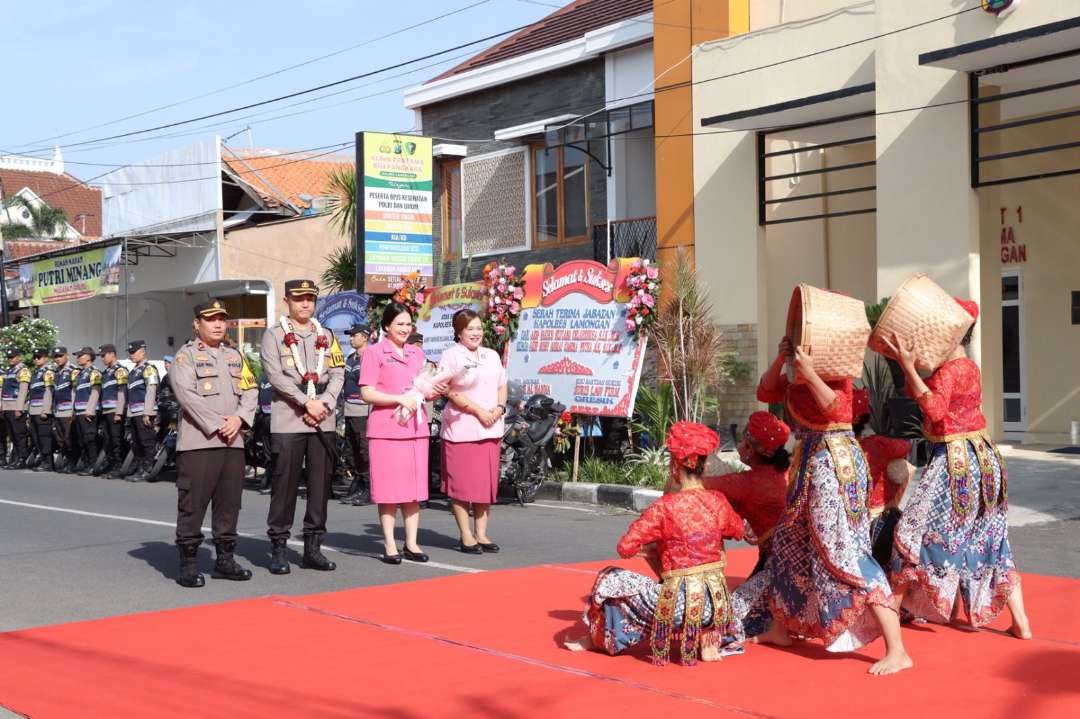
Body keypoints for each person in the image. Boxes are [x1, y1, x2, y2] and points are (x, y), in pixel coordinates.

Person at [734, 336, 912, 676]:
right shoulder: (798, 373)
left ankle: (897, 649)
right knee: (788, 546)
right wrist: (781, 359)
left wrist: (811, 372)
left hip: (835, 463)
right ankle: (781, 628)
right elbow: (766, 393)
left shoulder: (837, 372)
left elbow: (837, 410)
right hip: (810, 462)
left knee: (845, 552)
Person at [882, 299, 1031, 639]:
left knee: (913, 531)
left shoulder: (950, 371)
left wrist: (907, 367)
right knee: (990, 539)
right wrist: (910, 368)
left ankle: (893, 609)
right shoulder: (968, 367)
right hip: (984, 458)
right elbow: (926, 395)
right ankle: (1020, 619)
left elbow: (933, 409)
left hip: (956, 462)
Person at [564, 421, 744, 665]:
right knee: (709, 568)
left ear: (673, 465)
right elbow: (738, 530)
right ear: (706, 465)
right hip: (717, 607)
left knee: (611, 578)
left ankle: (596, 638)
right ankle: (708, 641)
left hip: (680, 607)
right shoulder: (718, 501)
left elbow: (625, 547)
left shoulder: (665, 507)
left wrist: (658, 548)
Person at [171, 299, 259, 588]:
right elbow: (186, 395)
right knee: (193, 504)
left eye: (222, 319)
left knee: (229, 504)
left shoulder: (235, 356)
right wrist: (220, 423)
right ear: (197, 324)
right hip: (200, 442)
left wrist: (240, 419)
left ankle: (224, 560)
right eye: (211, 319)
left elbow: (251, 390)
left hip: (233, 441)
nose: (219, 324)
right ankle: (188, 564)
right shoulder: (186, 357)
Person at [261, 279, 345, 574]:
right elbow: (275, 375)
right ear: (287, 302)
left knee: (320, 486)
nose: (305, 304)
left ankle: (313, 548)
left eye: (310, 298)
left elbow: (337, 372)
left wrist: (325, 403)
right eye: (299, 299)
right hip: (289, 420)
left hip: (323, 418)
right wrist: (305, 402)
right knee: (284, 486)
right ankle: (279, 547)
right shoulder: (274, 336)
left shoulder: (327, 334)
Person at [359, 301, 447, 565]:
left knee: (413, 490)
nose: (405, 329)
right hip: (387, 429)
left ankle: (411, 542)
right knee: (389, 491)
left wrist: (435, 389)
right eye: (399, 324)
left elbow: (422, 388)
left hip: (415, 429)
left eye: (408, 324)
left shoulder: (417, 354)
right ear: (387, 326)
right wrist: (398, 399)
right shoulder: (374, 353)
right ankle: (389, 544)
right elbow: (367, 392)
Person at [439, 309, 507, 554]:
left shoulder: (491, 355)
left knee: (484, 485)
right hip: (462, 428)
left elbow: (502, 384)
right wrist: (479, 411)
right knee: (462, 485)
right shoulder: (451, 355)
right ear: (459, 332)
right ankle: (466, 535)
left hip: (491, 428)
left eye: (479, 328)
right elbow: (449, 391)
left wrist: (499, 408)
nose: (476, 333)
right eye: (470, 329)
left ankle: (481, 533)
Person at [703, 411, 791, 575]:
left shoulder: (750, 483)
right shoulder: (783, 472)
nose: (739, 444)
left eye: (743, 440)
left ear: (750, 448)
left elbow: (695, 483)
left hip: (778, 567)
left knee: (739, 600)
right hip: (789, 558)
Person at [851, 387, 913, 570]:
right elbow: (905, 446)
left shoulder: (819, 451)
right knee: (903, 468)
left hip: (854, 524)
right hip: (875, 519)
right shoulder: (875, 445)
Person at [341, 323, 372, 506]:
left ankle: (369, 488)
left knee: (364, 450)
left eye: (354, 335)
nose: (351, 338)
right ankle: (359, 484)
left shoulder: (371, 357)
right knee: (352, 450)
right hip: (350, 409)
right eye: (350, 335)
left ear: (365, 336)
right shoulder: (350, 358)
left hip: (364, 410)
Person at [124, 340, 160, 482]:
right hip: (134, 413)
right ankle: (139, 468)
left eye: (134, 352)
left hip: (144, 413)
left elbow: (151, 391)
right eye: (130, 352)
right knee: (136, 442)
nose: (131, 355)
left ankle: (148, 469)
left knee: (147, 442)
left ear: (143, 351)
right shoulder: (133, 371)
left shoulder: (149, 368)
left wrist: (147, 412)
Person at [96, 343, 128, 478]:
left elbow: (122, 392)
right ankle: (111, 464)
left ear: (112, 354)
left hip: (115, 411)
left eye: (103, 355)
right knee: (108, 440)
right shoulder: (106, 372)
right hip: (106, 411)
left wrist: (119, 412)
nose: (102, 358)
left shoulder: (120, 370)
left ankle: (119, 466)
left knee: (116, 440)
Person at [71, 347, 102, 475]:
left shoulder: (94, 372)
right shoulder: (79, 374)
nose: (77, 358)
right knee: (82, 440)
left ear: (89, 357)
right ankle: (86, 463)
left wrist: (90, 410)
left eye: (80, 356)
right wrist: (73, 411)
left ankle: (93, 465)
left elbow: (95, 392)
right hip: (79, 411)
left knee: (90, 439)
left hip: (88, 412)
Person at [1, 348, 32, 469]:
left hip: (16, 407)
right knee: (12, 435)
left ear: (19, 357)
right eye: (9, 357)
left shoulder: (23, 370)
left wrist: (19, 408)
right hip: (7, 407)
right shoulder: (9, 371)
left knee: (20, 435)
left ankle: (22, 459)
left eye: (13, 357)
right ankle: (16, 458)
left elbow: (23, 390)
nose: (10, 359)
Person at [50, 347, 79, 473]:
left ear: (66, 356)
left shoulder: (73, 370)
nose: (58, 359)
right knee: (60, 439)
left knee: (69, 438)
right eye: (56, 356)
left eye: (60, 356)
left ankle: (73, 461)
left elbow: (75, 391)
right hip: (57, 410)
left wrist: (74, 410)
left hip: (68, 410)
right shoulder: (55, 372)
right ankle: (67, 459)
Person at [27, 349, 55, 472]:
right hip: (33, 410)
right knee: (36, 437)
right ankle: (43, 460)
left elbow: (49, 392)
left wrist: (46, 410)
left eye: (39, 357)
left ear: (45, 359)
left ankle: (48, 462)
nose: (36, 359)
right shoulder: (34, 373)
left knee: (45, 437)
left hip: (42, 410)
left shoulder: (48, 372)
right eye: (35, 357)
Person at [253, 370, 274, 495]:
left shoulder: (280, 372)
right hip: (263, 416)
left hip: (278, 417)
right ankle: (268, 477)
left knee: (277, 451)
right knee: (268, 451)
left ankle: (273, 480)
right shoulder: (263, 375)